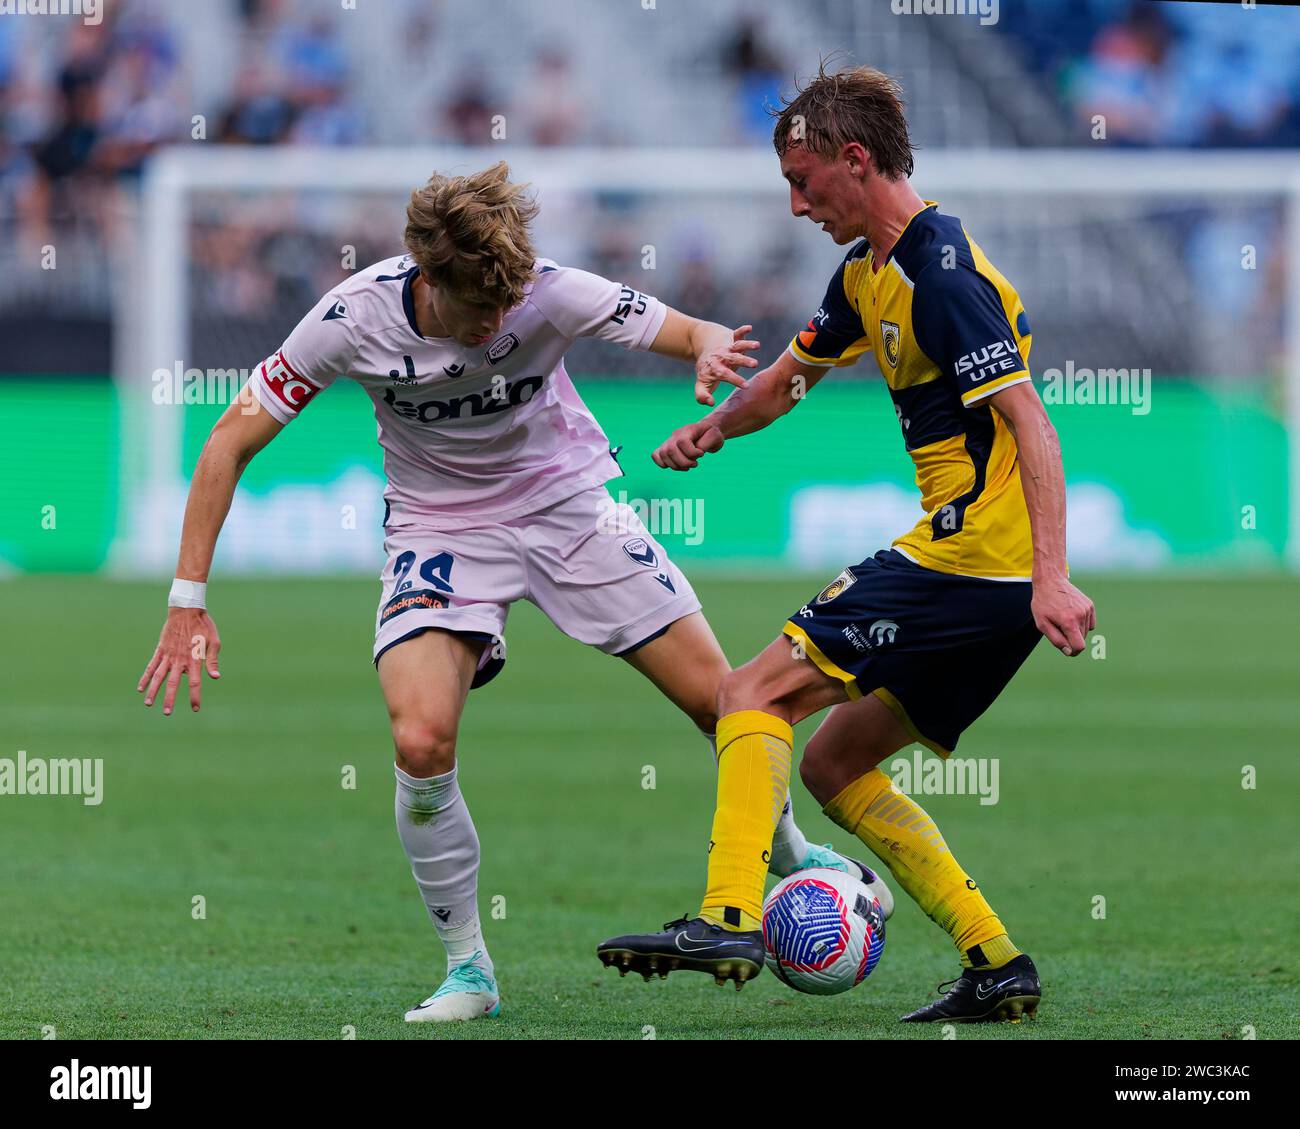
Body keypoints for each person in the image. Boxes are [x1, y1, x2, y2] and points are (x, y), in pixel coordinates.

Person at [136, 161, 888, 1023]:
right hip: (439, 530)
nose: (500, 321)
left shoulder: (547, 290)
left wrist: (711, 346)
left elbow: (688, 330)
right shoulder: (351, 318)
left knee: (729, 705)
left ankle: (792, 854)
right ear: (428, 279)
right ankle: (468, 968)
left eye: (509, 303)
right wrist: (187, 596)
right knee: (420, 740)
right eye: (480, 310)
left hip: (568, 507)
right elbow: (229, 444)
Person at [596, 66, 1095, 1023]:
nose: (795, 204)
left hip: (971, 560)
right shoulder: (869, 269)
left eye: (804, 179)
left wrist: (1051, 575)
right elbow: (789, 379)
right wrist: (712, 429)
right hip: (988, 579)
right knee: (831, 767)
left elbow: (1033, 423)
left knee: (749, 692)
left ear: (855, 159)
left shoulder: (937, 271)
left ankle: (729, 911)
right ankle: (996, 961)